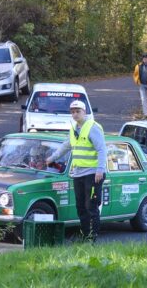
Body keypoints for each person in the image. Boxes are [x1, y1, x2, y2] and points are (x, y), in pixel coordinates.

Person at [47, 100, 107, 242]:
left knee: (91, 206)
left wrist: (100, 169)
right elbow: (66, 146)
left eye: (77, 111)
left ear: (84, 112)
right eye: (72, 112)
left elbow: (102, 149)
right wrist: (52, 157)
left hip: (93, 174)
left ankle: (92, 238)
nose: (74, 114)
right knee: (80, 207)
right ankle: (86, 235)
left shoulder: (92, 127)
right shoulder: (74, 129)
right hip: (78, 174)